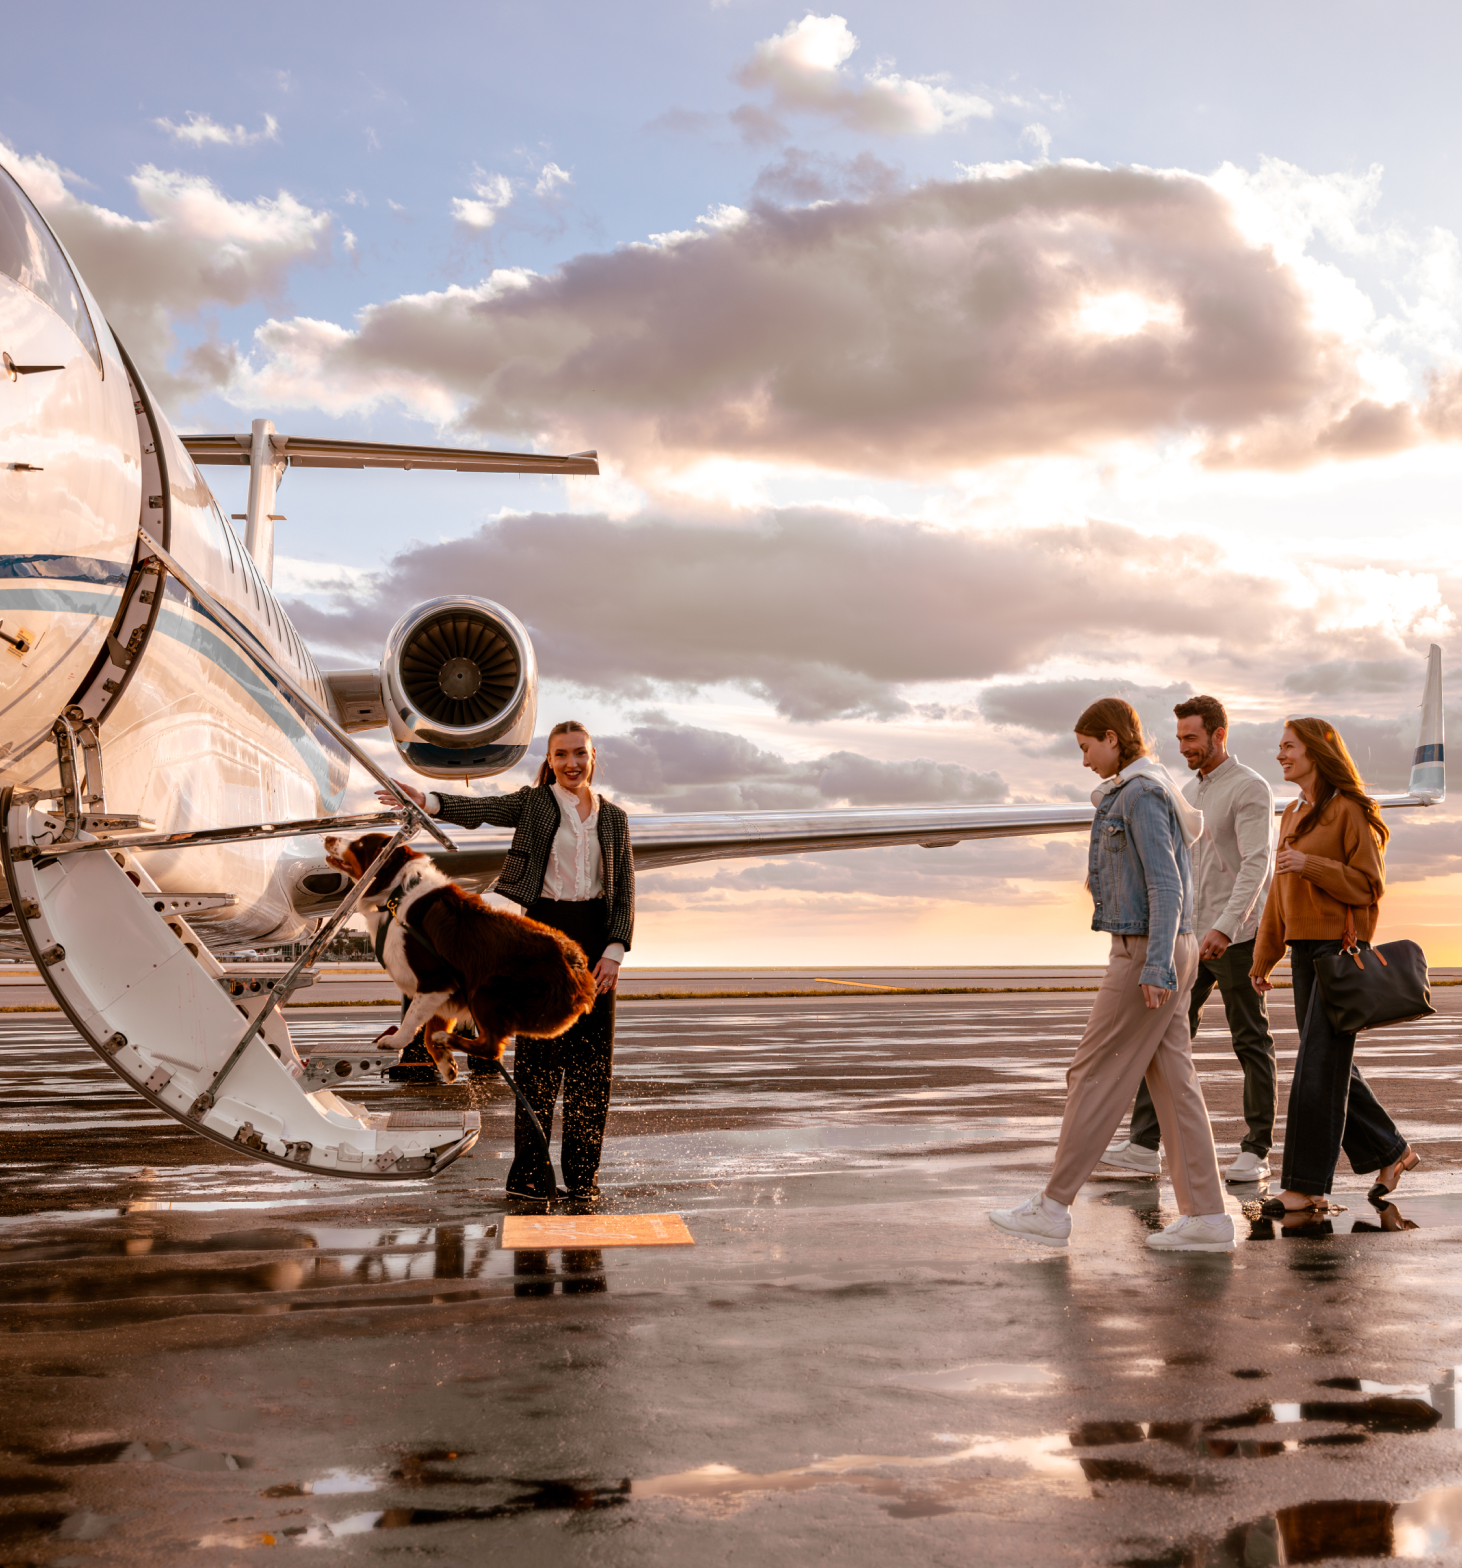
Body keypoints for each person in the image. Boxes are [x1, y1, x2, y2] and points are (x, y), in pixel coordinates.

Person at [990, 698, 1234, 1252]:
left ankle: (1053, 1207)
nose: (1084, 761)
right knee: (1174, 1085)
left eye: (1086, 748)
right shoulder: (1145, 788)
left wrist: (1154, 966)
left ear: (1111, 738)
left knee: (1092, 1074)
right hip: (1171, 944)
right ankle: (1207, 1218)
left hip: (1146, 949)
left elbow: (1167, 884)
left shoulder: (1141, 794)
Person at [379, 720, 634, 1202]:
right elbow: (483, 810)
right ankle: (530, 1178)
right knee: (539, 1067)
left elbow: (623, 892)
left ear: (593, 757)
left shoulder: (615, 818)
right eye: (561, 755)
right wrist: (427, 800)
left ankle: (583, 1178)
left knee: (592, 1068)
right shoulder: (535, 803)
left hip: (596, 940)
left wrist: (615, 950)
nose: (572, 763)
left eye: (580, 753)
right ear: (549, 761)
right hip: (542, 934)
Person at [1102, 695, 1278, 1183]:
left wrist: (1226, 925)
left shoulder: (1250, 788)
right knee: (1162, 1034)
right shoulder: (1186, 791)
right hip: (1190, 938)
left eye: (1192, 738)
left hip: (1237, 938)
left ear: (1219, 734)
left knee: (1250, 1040)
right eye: (1179, 738)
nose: (1183, 747)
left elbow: (1257, 864)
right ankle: (1144, 1146)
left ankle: (1257, 1150)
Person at [1249, 718, 1418, 1215]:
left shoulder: (1350, 810)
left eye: (1289, 746)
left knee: (1318, 1068)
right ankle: (1392, 1151)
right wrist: (1264, 956)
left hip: (1338, 950)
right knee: (1326, 1061)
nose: (1280, 755)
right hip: (1303, 951)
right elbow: (1278, 894)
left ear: (1317, 753)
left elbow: (1368, 885)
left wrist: (1312, 866)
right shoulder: (1292, 812)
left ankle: (1306, 1187)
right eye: (1280, 747)